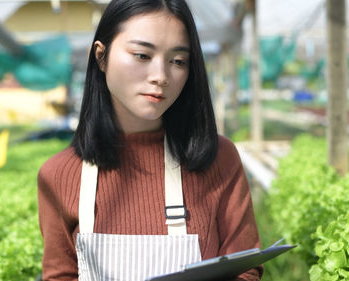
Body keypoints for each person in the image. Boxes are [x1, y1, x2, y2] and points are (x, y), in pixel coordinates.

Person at [37, 0, 262, 280]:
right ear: (101, 56)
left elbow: (245, 270)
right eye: (142, 55)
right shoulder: (58, 175)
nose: (161, 77)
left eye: (178, 61)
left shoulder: (218, 159)